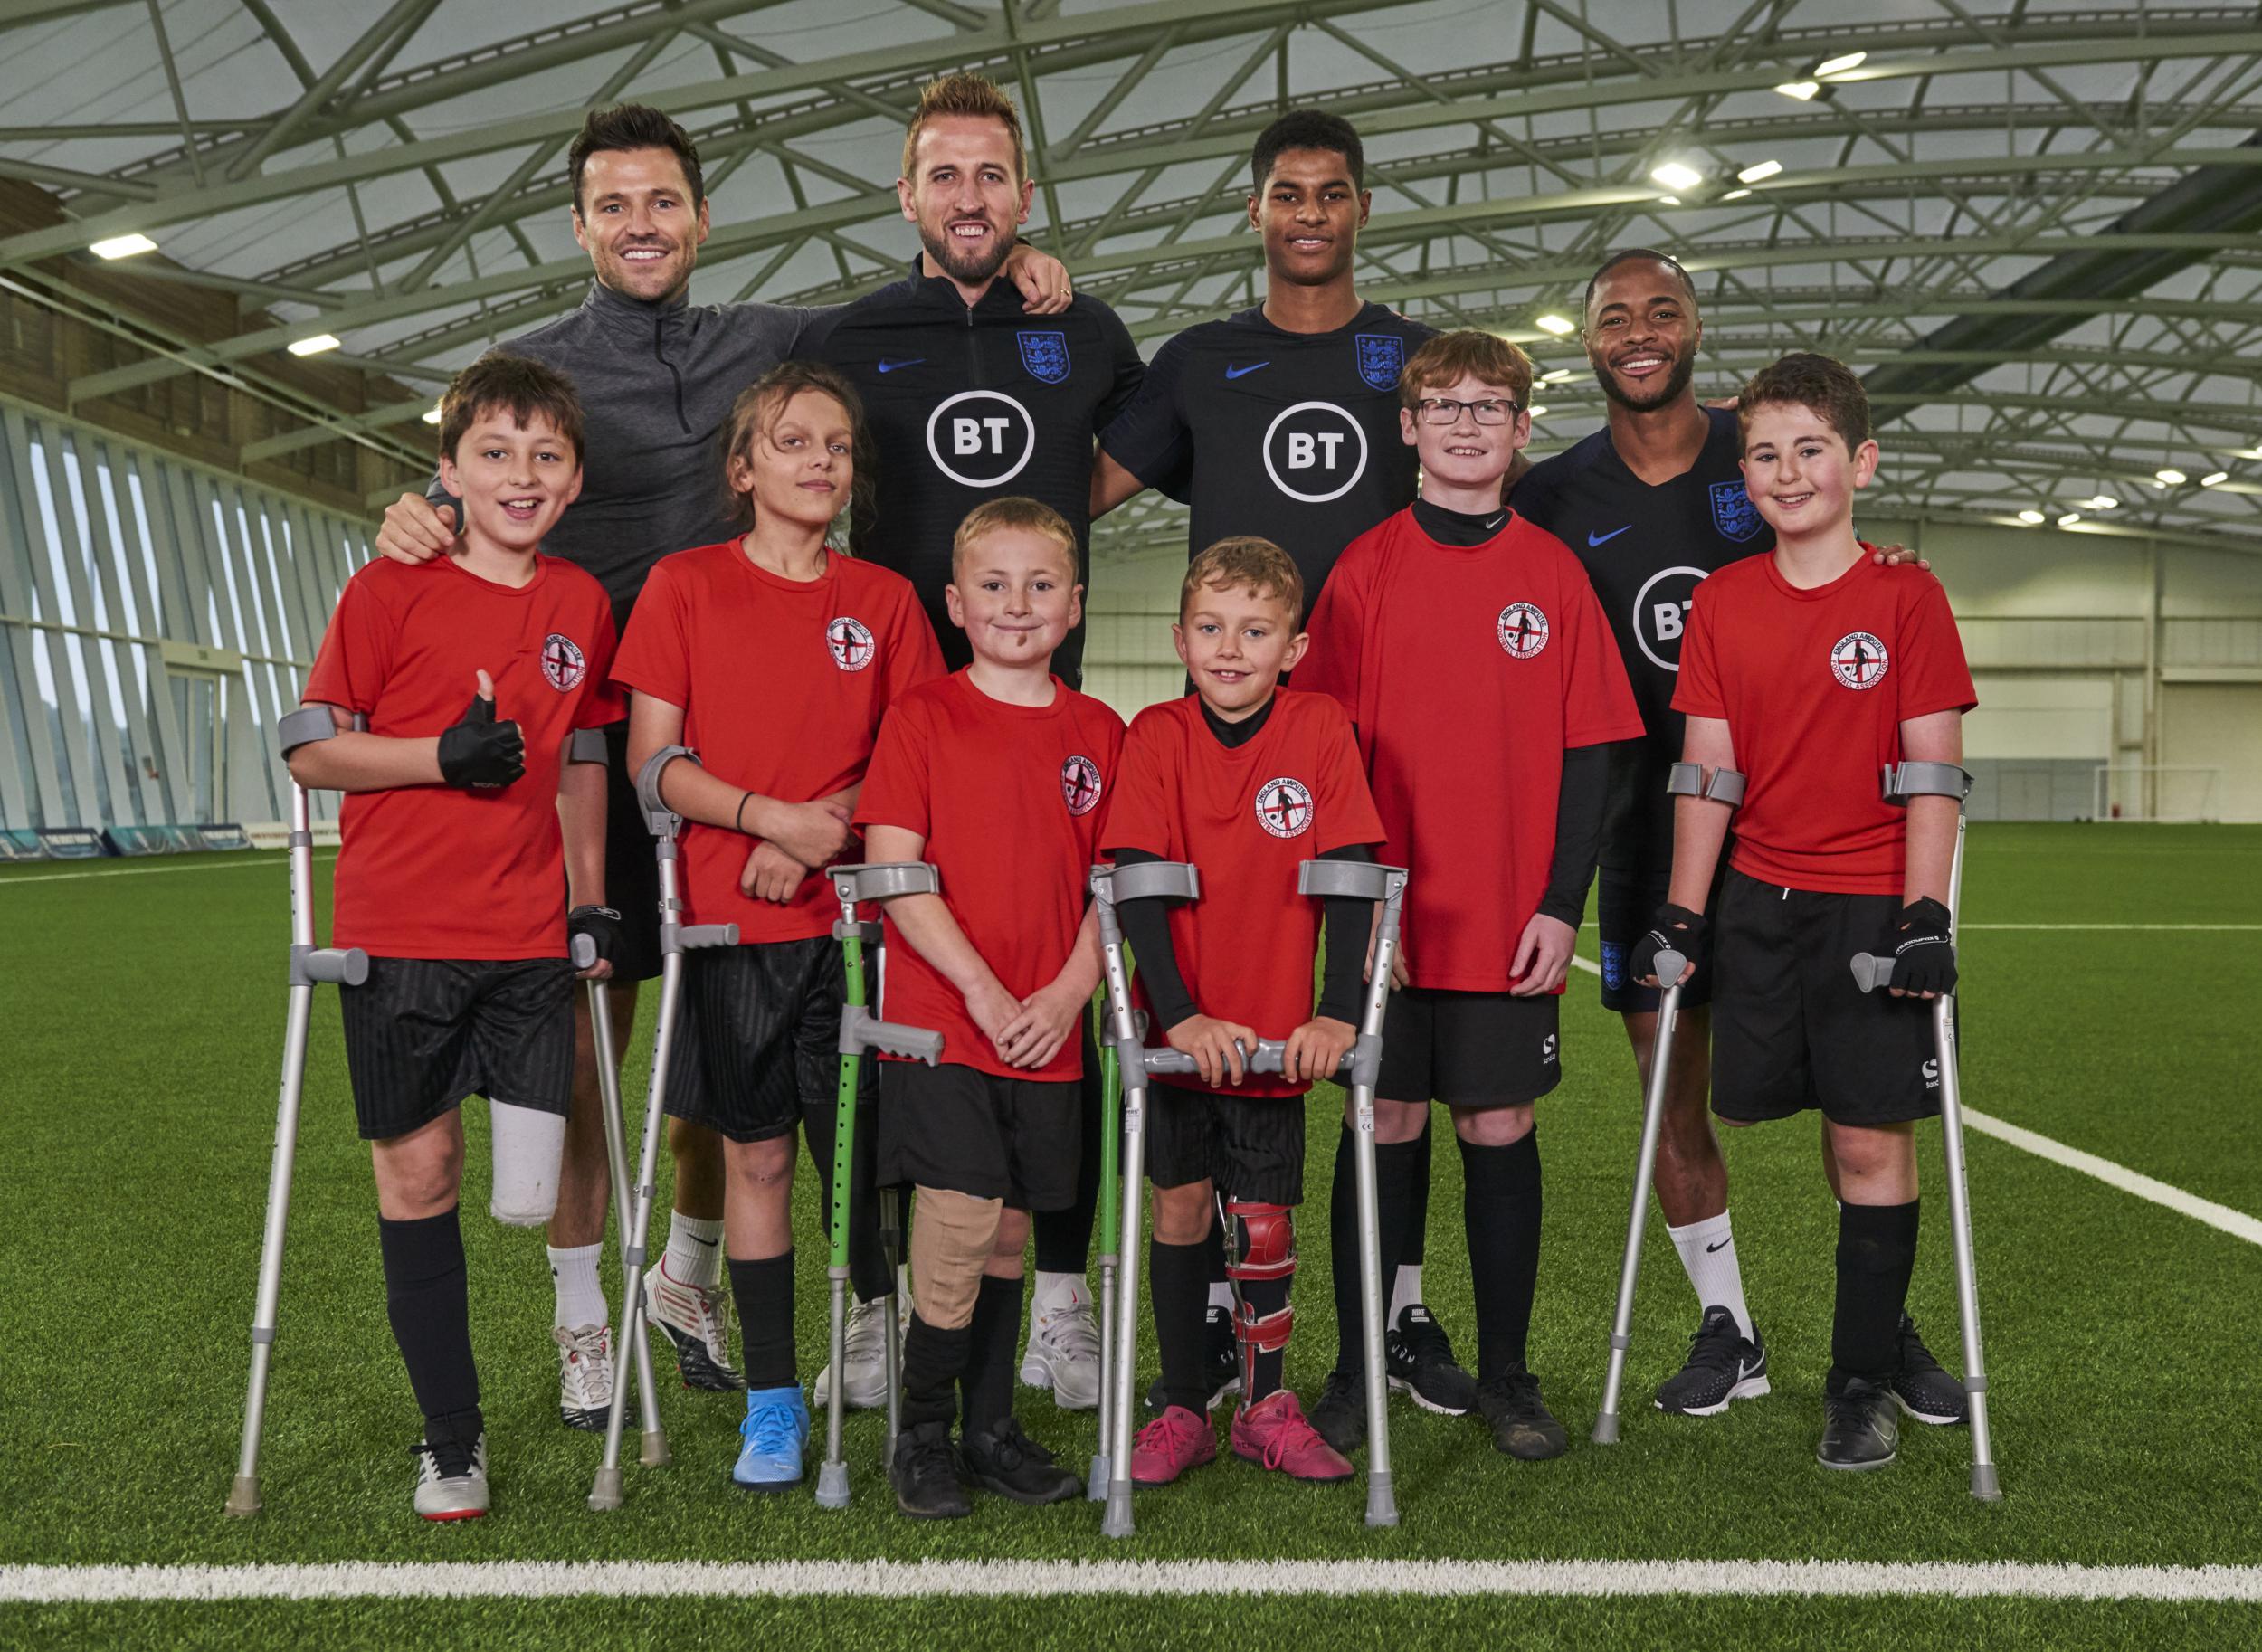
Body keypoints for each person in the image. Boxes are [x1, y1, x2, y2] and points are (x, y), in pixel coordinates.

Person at [369, 105, 1068, 1414]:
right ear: (581, 226)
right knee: (590, 1042)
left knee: (713, 1047)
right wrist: (411, 511)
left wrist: (1013, 272)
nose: (643, 226)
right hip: (592, 747)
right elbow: (469, 485)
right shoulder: (532, 359)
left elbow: (909, 313)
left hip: (744, 758)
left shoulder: (773, 340)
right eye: (615, 207)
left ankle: (685, 1268)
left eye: (664, 203)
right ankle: (588, 1315)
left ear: (702, 217)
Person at [1512, 250, 1962, 1425]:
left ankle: (1881, 1326)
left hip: (1819, 851)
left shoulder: (1756, 444)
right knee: (1677, 1093)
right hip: (1643, 831)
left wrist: (1928, 907)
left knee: (1857, 1114)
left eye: (1665, 309)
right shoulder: (1555, 492)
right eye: (1616, 314)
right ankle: (1729, 1325)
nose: (1642, 331)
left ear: (1697, 328)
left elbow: (1843, 560)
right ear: (1589, 337)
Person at [800, 72, 1144, 1409]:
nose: (968, 198)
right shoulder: (846, 332)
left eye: (991, 175)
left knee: (1063, 1026)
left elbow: (1136, 456)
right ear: (906, 196)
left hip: (1042, 732)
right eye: (944, 176)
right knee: (900, 1025)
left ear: (1025, 195)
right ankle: (885, 1303)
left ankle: (1061, 1301)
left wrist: (1055, 514)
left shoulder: (1086, 326)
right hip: (902, 728)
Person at [1093, 108, 1438, 1404]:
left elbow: (1502, 473)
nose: (1309, 212)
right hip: (1227, 748)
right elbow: (1064, 486)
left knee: (1385, 1066)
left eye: (1332, 193)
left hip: (1381, 745)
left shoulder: (1407, 361)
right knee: (1244, 1083)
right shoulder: (1199, 362)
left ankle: (1387, 1325)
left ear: (1360, 207)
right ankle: (1216, 1369)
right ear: (1256, 211)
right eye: (1286, 192)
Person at [284, 354, 624, 1517]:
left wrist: (586, 892)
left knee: (528, 1196)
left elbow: (582, 756)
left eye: (545, 456)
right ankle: (452, 1440)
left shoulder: (582, 602)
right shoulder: (385, 589)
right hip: (400, 932)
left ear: (574, 480)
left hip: (529, 939)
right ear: (449, 471)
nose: (521, 475)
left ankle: (569, 1326)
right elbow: (314, 751)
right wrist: (441, 756)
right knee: (422, 1172)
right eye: (495, 453)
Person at [1300, 331, 1644, 1461]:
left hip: (1507, 921)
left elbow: (1593, 752)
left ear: (1519, 429)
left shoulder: (1552, 573)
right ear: (1405, 427)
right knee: (1383, 1119)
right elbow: (1320, 750)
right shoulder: (1364, 570)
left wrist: (1560, 903)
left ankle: (1507, 1376)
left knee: (1498, 1125)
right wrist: (1359, 913)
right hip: (1390, 927)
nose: (1462, 422)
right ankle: (1357, 1369)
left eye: (1487, 405)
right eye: (1440, 403)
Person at [1632, 351, 1976, 1471]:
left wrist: (1927, 912)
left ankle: (1858, 1378)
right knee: (1777, 1122)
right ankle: (1882, 1326)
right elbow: (1706, 775)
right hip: (1759, 908)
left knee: (1869, 1141)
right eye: (1766, 453)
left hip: (1874, 907)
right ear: (1747, 474)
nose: (1788, 472)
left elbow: (1931, 771)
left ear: (1859, 462)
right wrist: (1681, 917)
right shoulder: (1724, 602)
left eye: (1811, 449)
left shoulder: (1905, 596)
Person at [613, 361, 944, 1490]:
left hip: (860, 925)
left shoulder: (887, 601)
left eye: (837, 446)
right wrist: (764, 814)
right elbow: (651, 761)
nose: (819, 462)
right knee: (753, 1155)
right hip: (727, 928)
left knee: (859, 1162)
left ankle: (870, 1344)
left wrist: (822, 828)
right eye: (794, 442)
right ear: (743, 468)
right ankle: (768, 1401)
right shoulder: (684, 584)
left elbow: (916, 759)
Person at [852, 496, 1125, 1517]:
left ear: (1075, 603)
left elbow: (1111, 890)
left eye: (1041, 583)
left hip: (1050, 1026)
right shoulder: (923, 715)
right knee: (959, 1219)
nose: (1019, 603)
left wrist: (1062, 993)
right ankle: (919, 1430)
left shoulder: (1102, 730)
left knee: (1011, 1230)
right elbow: (894, 869)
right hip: (946, 1019)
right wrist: (985, 988)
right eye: (996, 585)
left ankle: (989, 1427)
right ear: (958, 604)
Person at [1104, 536, 1386, 1490]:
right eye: (1213, 627)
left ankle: (1267, 1404)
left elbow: (1351, 877)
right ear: (1181, 639)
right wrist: (1177, 1016)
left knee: (1262, 1219)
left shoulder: (1318, 727)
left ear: (1293, 647)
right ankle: (1183, 1399)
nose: (1232, 647)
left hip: (1273, 1032)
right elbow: (1137, 886)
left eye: (1256, 629)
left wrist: (1337, 1012)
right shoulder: (1154, 736)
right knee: (1181, 1205)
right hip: (1180, 1036)